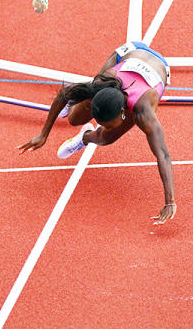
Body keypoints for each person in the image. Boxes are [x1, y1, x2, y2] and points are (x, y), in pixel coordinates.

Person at [17, 41, 176, 225]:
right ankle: (78, 103)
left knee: (107, 138)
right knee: (74, 119)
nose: (105, 126)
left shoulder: (142, 110)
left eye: (107, 124)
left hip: (157, 68)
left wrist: (169, 201)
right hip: (130, 53)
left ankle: (84, 138)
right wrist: (43, 134)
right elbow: (63, 93)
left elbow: (163, 154)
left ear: (123, 113)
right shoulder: (103, 82)